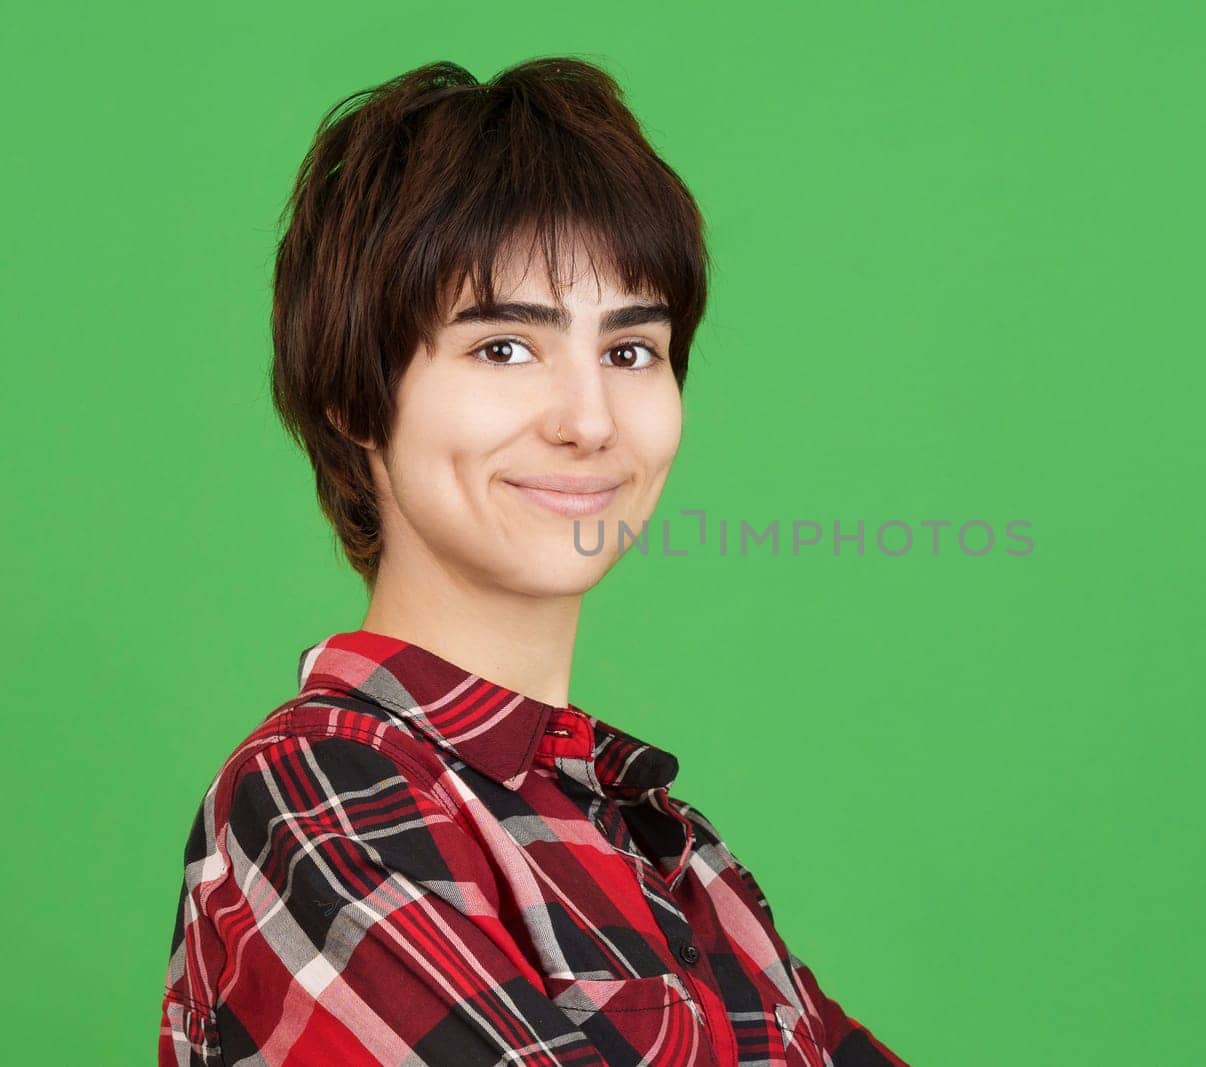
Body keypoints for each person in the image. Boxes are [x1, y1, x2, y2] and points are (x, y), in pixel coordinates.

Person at [157, 57, 909, 1067]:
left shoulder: (673, 846)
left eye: (631, 349)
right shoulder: (313, 795)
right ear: (353, 392)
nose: (589, 420)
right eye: (503, 346)